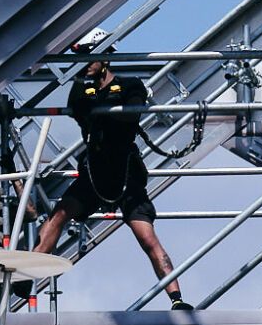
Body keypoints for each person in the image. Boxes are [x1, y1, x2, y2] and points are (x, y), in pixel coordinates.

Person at [34, 58, 192, 310]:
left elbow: (130, 115)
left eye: (89, 57)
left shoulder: (130, 85)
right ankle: (28, 275)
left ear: (105, 59)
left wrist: (99, 111)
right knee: (58, 216)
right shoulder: (81, 89)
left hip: (125, 173)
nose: (84, 64)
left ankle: (177, 299)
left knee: (147, 237)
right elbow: (76, 108)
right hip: (95, 172)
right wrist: (96, 104)